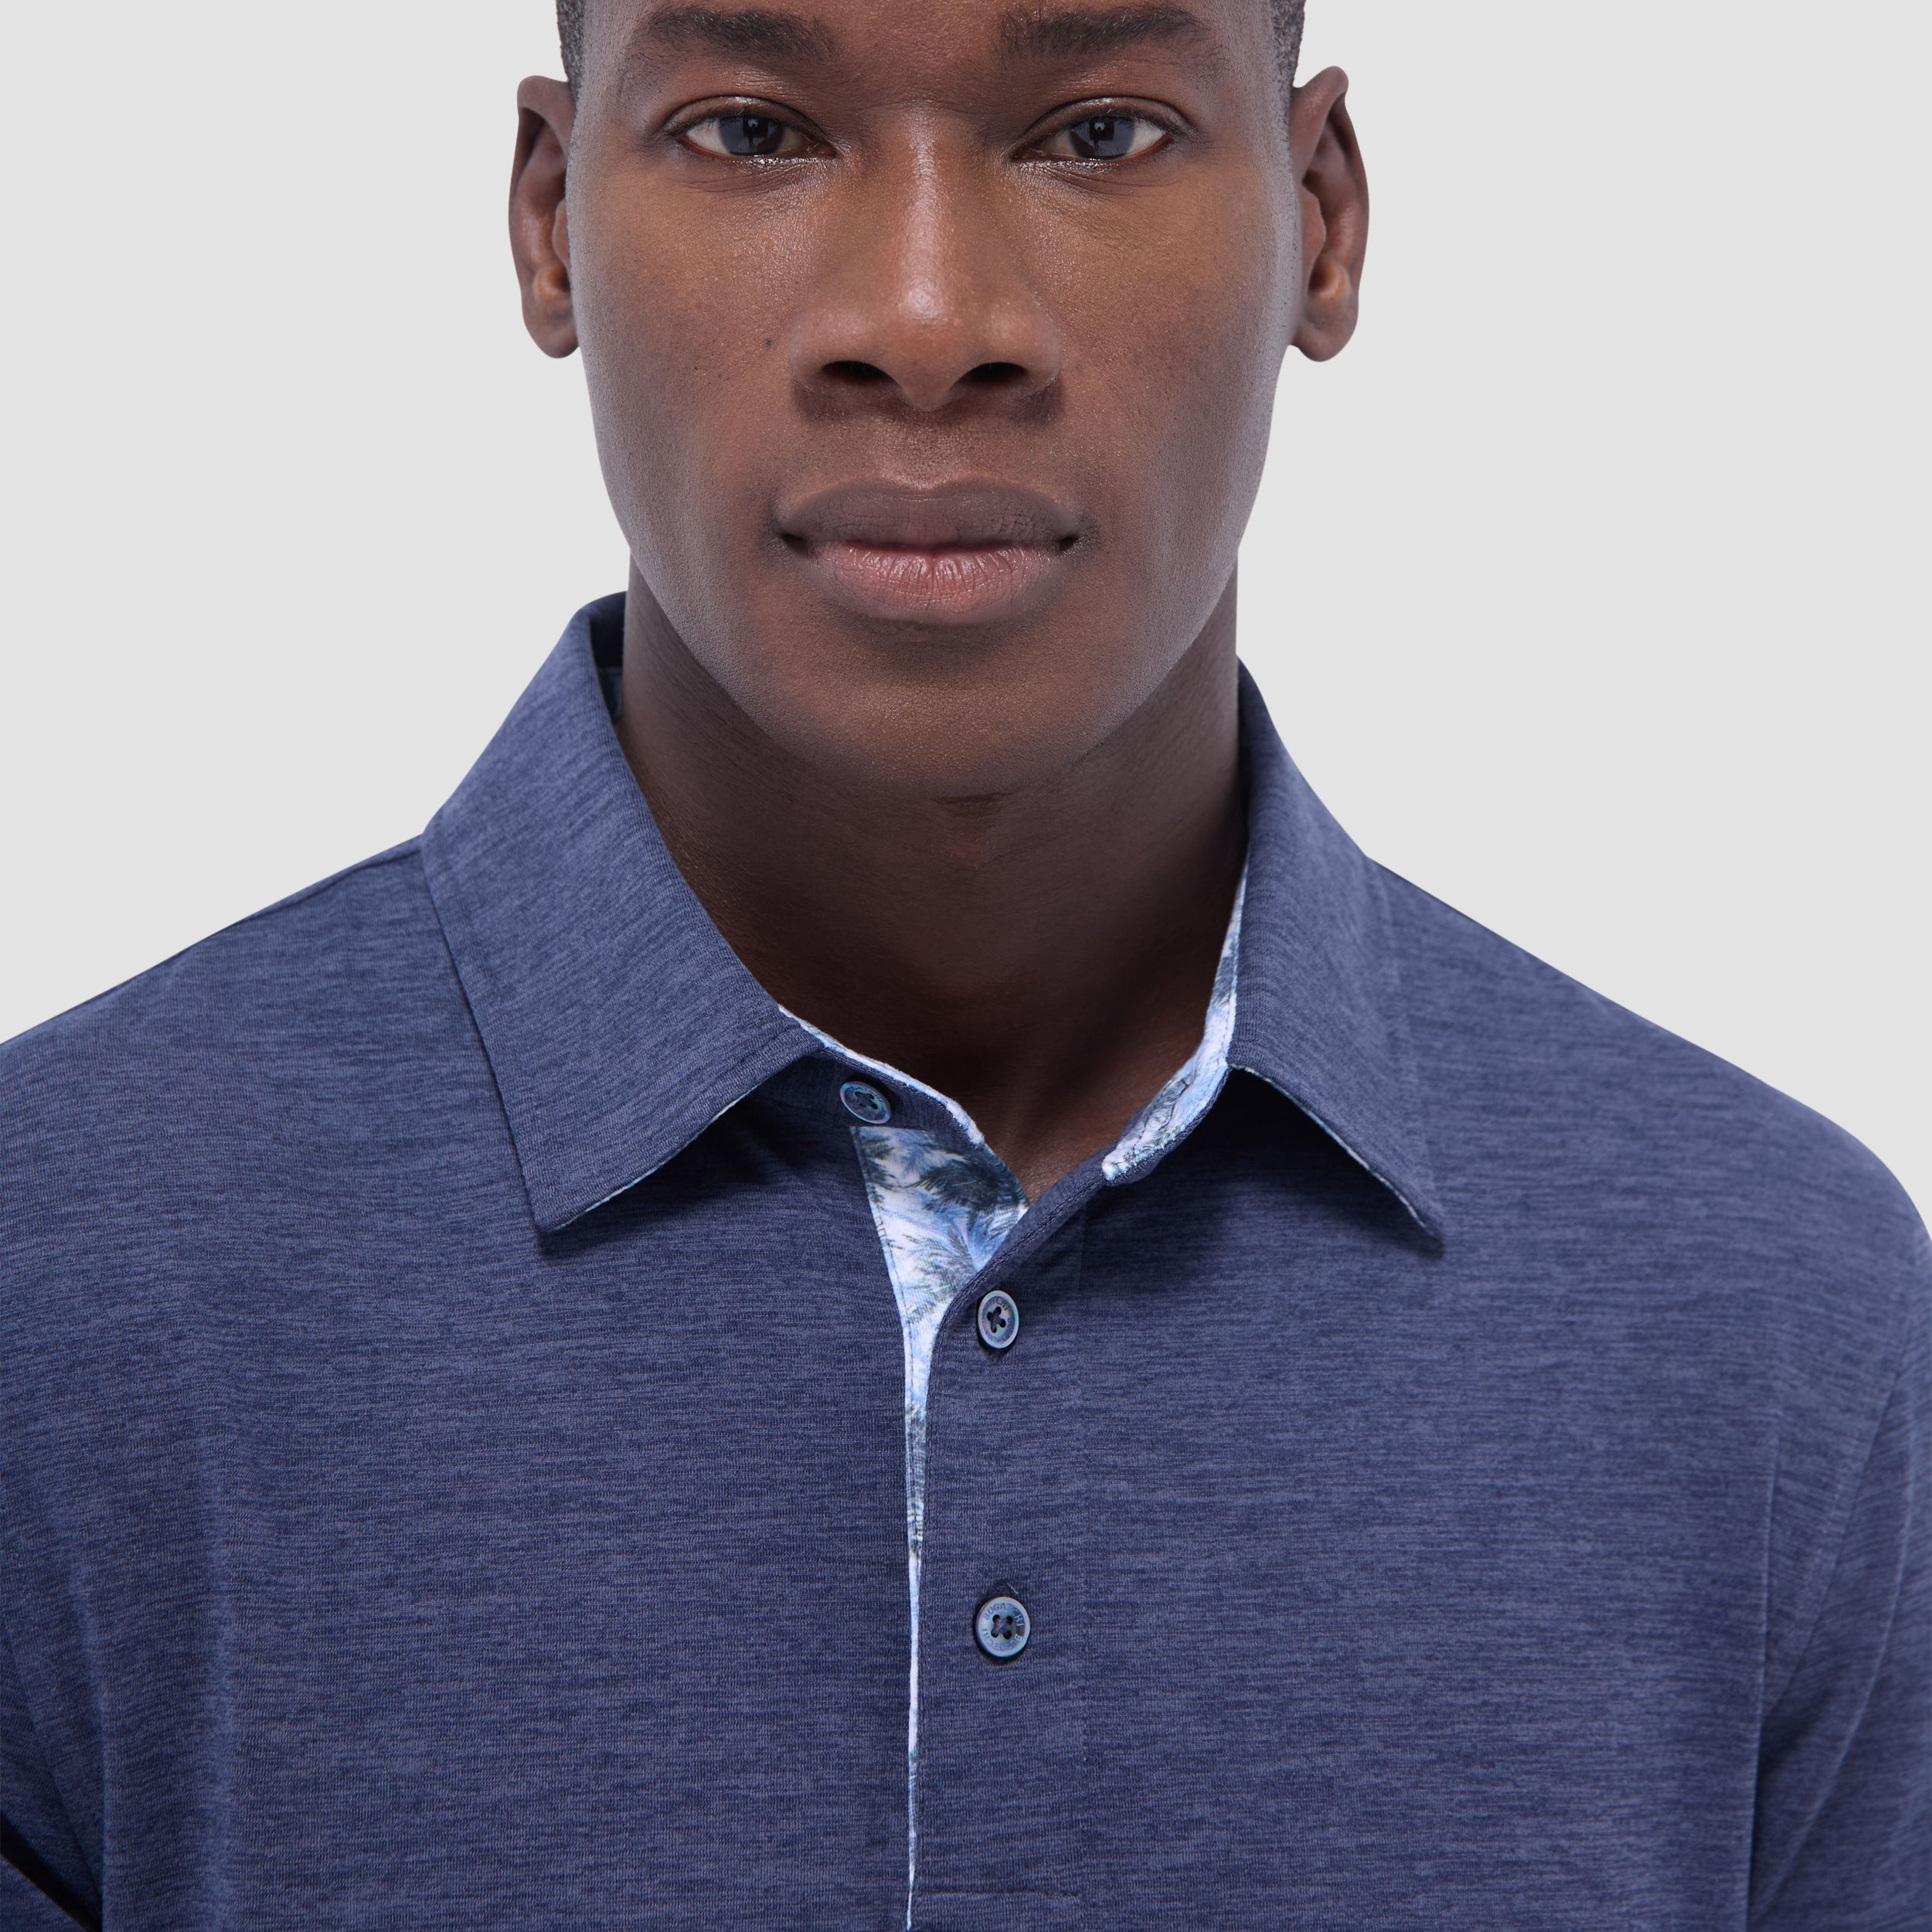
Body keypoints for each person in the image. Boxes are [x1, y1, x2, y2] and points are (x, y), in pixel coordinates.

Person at [2, 0, 1925, 1923]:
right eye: (751, 129)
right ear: (549, 220)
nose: (925, 321)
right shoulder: (55, 1275)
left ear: (1319, 221)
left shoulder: (1788, 1337)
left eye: (1096, 133)